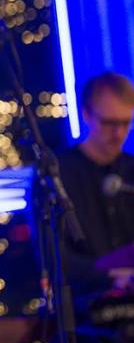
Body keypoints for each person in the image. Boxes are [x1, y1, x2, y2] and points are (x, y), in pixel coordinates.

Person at [58, 71, 134, 294]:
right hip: (85, 307)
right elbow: (57, 257)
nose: (119, 133)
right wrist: (108, 277)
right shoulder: (59, 174)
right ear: (86, 115)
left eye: (126, 122)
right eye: (109, 123)